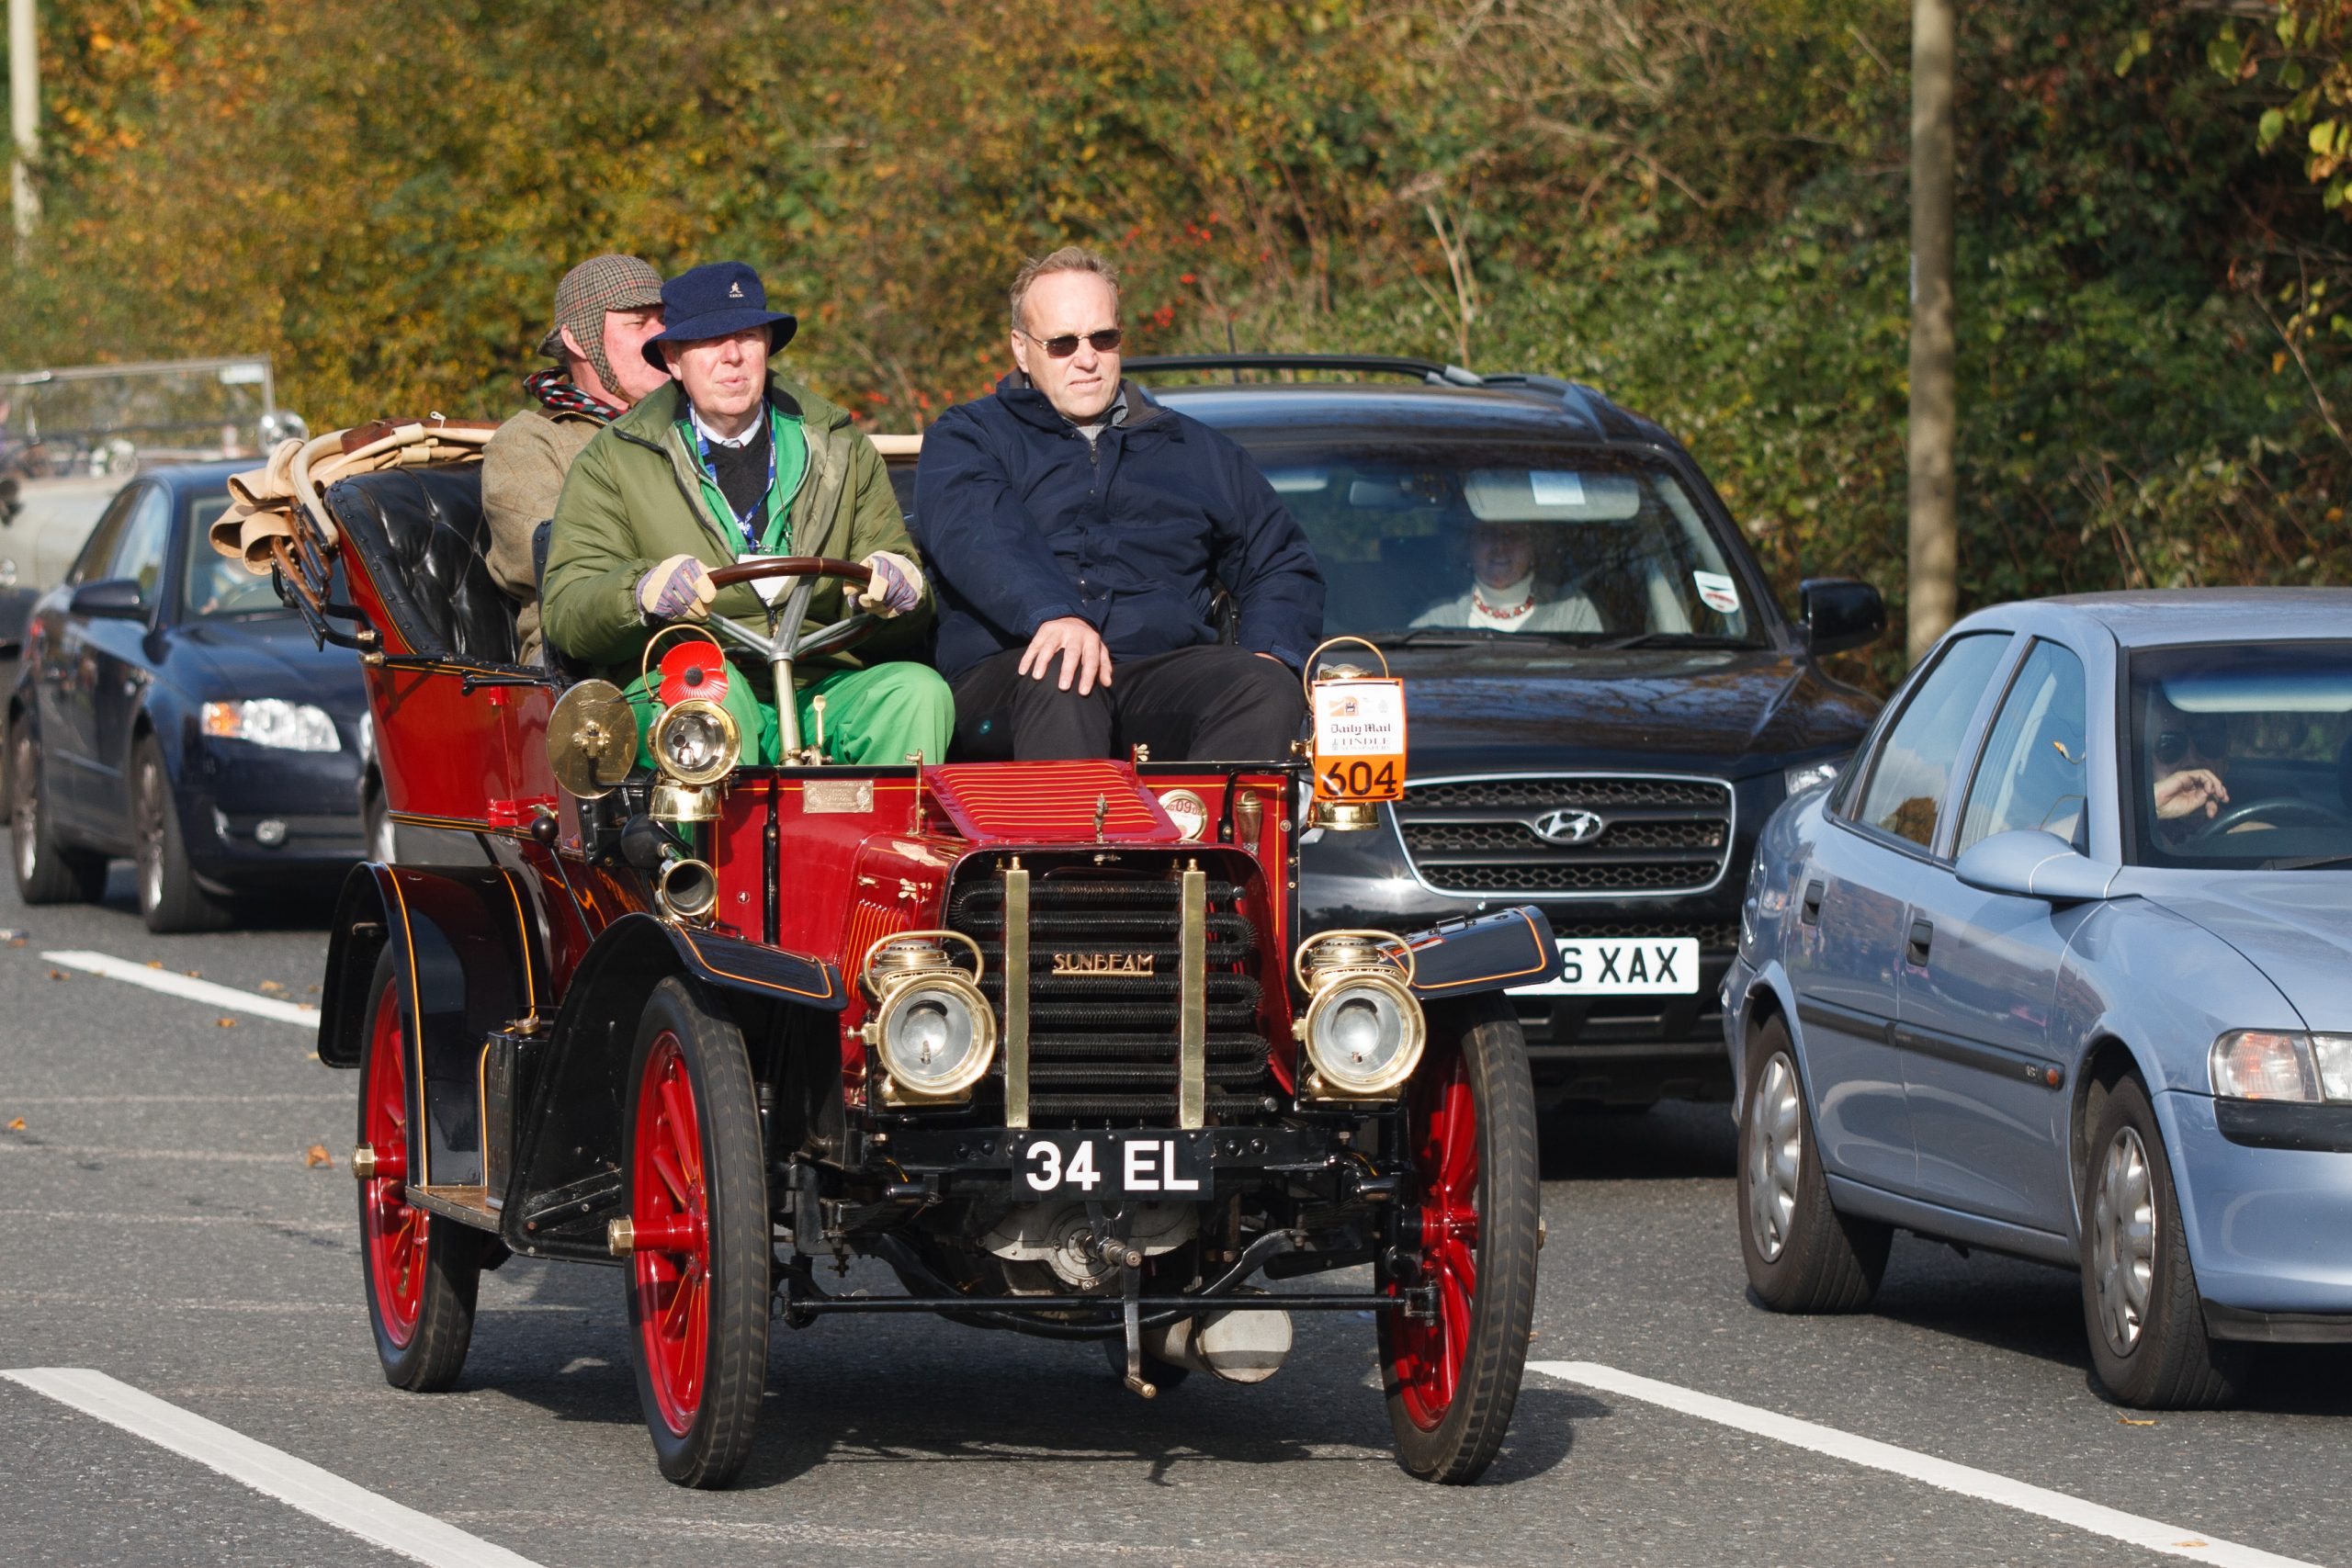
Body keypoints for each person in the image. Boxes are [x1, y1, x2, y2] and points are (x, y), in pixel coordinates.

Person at [912, 246, 1323, 761]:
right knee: (1064, 669)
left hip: (1155, 676)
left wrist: (1271, 651)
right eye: (1062, 343)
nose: (1086, 358)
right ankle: (1074, 845)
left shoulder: (1197, 451)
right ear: (1021, 349)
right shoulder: (969, 436)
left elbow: (1279, 561)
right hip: (1014, 679)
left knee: (1265, 684)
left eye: (1102, 338)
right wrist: (1053, 615)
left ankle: (1202, 841)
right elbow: (978, 534)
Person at [541, 261, 952, 767]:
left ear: (767, 348)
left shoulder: (839, 443)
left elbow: (903, 594)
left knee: (917, 691)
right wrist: (642, 591)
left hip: (821, 679)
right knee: (712, 696)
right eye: (711, 341)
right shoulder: (615, 458)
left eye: (749, 336)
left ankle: (878, 846)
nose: (733, 357)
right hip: (693, 677)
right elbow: (566, 610)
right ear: (672, 359)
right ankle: (707, 850)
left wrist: (899, 586)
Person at [481, 254, 670, 665]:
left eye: (664, 321)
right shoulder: (529, 441)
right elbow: (564, 563)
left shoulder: (696, 424)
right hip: (584, 659)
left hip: (710, 631)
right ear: (576, 339)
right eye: (638, 323)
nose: (661, 337)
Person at [1411, 519, 1600, 633]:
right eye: (1488, 534)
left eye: (1513, 535)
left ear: (1532, 549)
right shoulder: (1438, 620)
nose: (1500, 547)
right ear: (1469, 548)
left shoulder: (1572, 611)